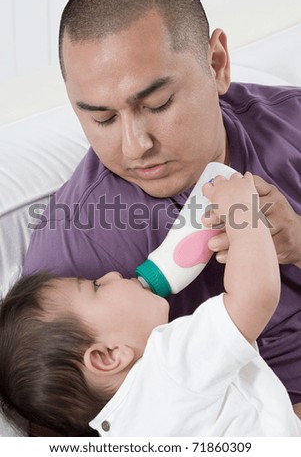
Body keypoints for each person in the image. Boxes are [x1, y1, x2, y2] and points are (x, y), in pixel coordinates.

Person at [23, 0, 301, 411]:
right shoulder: (72, 256)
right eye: (103, 118)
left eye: (157, 104)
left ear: (216, 64)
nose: (136, 147)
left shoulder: (291, 123)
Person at [2, 174, 301, 437]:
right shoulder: (170, 365)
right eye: (95, 286)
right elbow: (255, 294)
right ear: (108, 356)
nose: (111, 274)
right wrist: (242, 211)